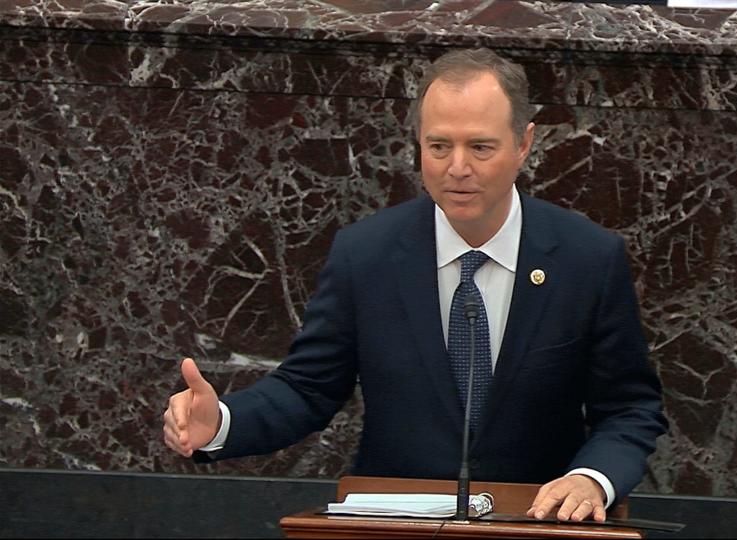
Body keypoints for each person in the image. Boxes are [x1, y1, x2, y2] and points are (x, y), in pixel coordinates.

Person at [162, 47, 668, 523]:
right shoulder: (367, 255)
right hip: (393, 523)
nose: (458, 169)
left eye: (481, 147)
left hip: (536, 523)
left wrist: (591, 479)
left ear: (524, 144)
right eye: (439, 146)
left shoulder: (587, 258)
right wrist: (221, 423)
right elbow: (307, 388)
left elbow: (628, 408)